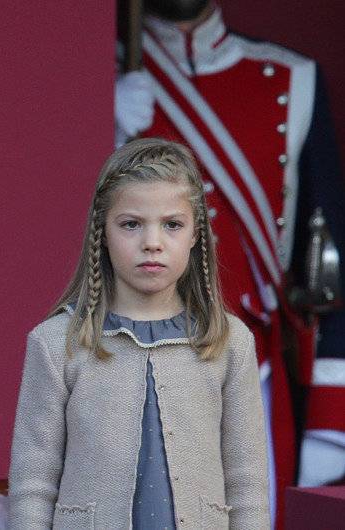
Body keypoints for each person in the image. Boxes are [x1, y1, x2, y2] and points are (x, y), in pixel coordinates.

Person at [115, 1, 345, 511]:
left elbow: (328, 258)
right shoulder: (107, 73)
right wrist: (89, 122)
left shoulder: (291, 78)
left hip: (254, 365)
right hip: (129, 359)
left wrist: (331, 417)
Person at [9, 138, 269, 528]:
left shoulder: (229, 342)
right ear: (103, 232)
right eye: (131, 224)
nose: (152, 243)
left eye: (172, 225)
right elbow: (33, 483)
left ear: (196, 234)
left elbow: (247, 484)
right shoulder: (56, 342)